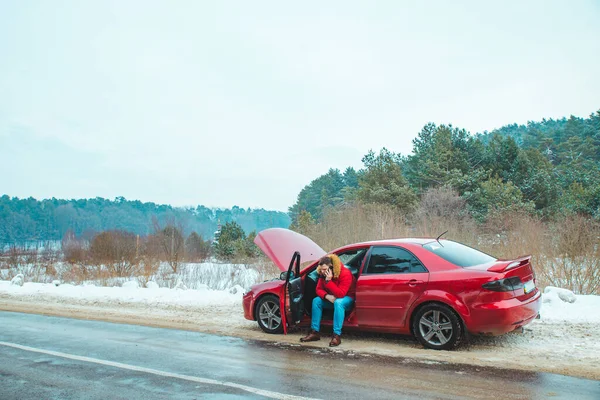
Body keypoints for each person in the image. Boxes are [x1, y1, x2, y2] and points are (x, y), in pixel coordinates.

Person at [300, 254, 355, 347]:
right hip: (332, 298)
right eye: (321, 269)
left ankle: (336, 335)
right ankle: (314, 332)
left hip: (347, 298)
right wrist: (326, 296)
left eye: (325, 269)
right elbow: (318, 289)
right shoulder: (322, 274)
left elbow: (341, 294)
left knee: (338, 302)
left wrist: (329, 281)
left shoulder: (345, 273)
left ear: (331, 267)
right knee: (316, 301)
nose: (322, 271)